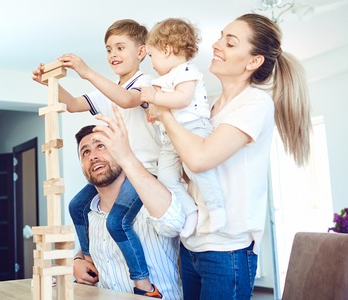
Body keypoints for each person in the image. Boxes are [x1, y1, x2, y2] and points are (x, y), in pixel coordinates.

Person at [149, 13, 312, 299]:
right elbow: (192, 168)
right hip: (193, 245)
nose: (217, 45)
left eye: (230, 42)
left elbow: (200, 159)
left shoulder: (255, 104)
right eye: (221, 36)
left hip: (228, 251)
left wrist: (164, 113)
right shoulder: (209, 109)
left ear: (253, 62)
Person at [32, 19, 162, 295]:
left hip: (143, 172)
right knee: (77, 205)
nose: (113, 54)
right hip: (122, 171)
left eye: (120, 47)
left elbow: (128, 100)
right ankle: (88, 255)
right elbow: (75, 104)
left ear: (141, 52)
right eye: (108, 49)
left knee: (117, 221)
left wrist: (87, 72)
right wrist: (50, 84)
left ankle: (143, 283)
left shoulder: (146, 83)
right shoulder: (109, 91)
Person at [72, 119, 185, 299]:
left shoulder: (151, 203)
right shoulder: (90, 215)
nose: (92, 156)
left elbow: (175, 223)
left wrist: (128, 159)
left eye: (101, 146)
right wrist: (78, 259)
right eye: (85, 152)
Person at [141, 18, 226, 237]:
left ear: (167, 49)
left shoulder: (186, 71)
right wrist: (155, 114)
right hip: (171, 137)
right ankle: (191, 211)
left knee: (195, 170)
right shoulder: (164, 78)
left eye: (152, 56)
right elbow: (166, 111)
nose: (151, 63)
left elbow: (182, 99)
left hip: (193, 129)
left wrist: (156, 96)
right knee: (166, 177)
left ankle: (217, 208)